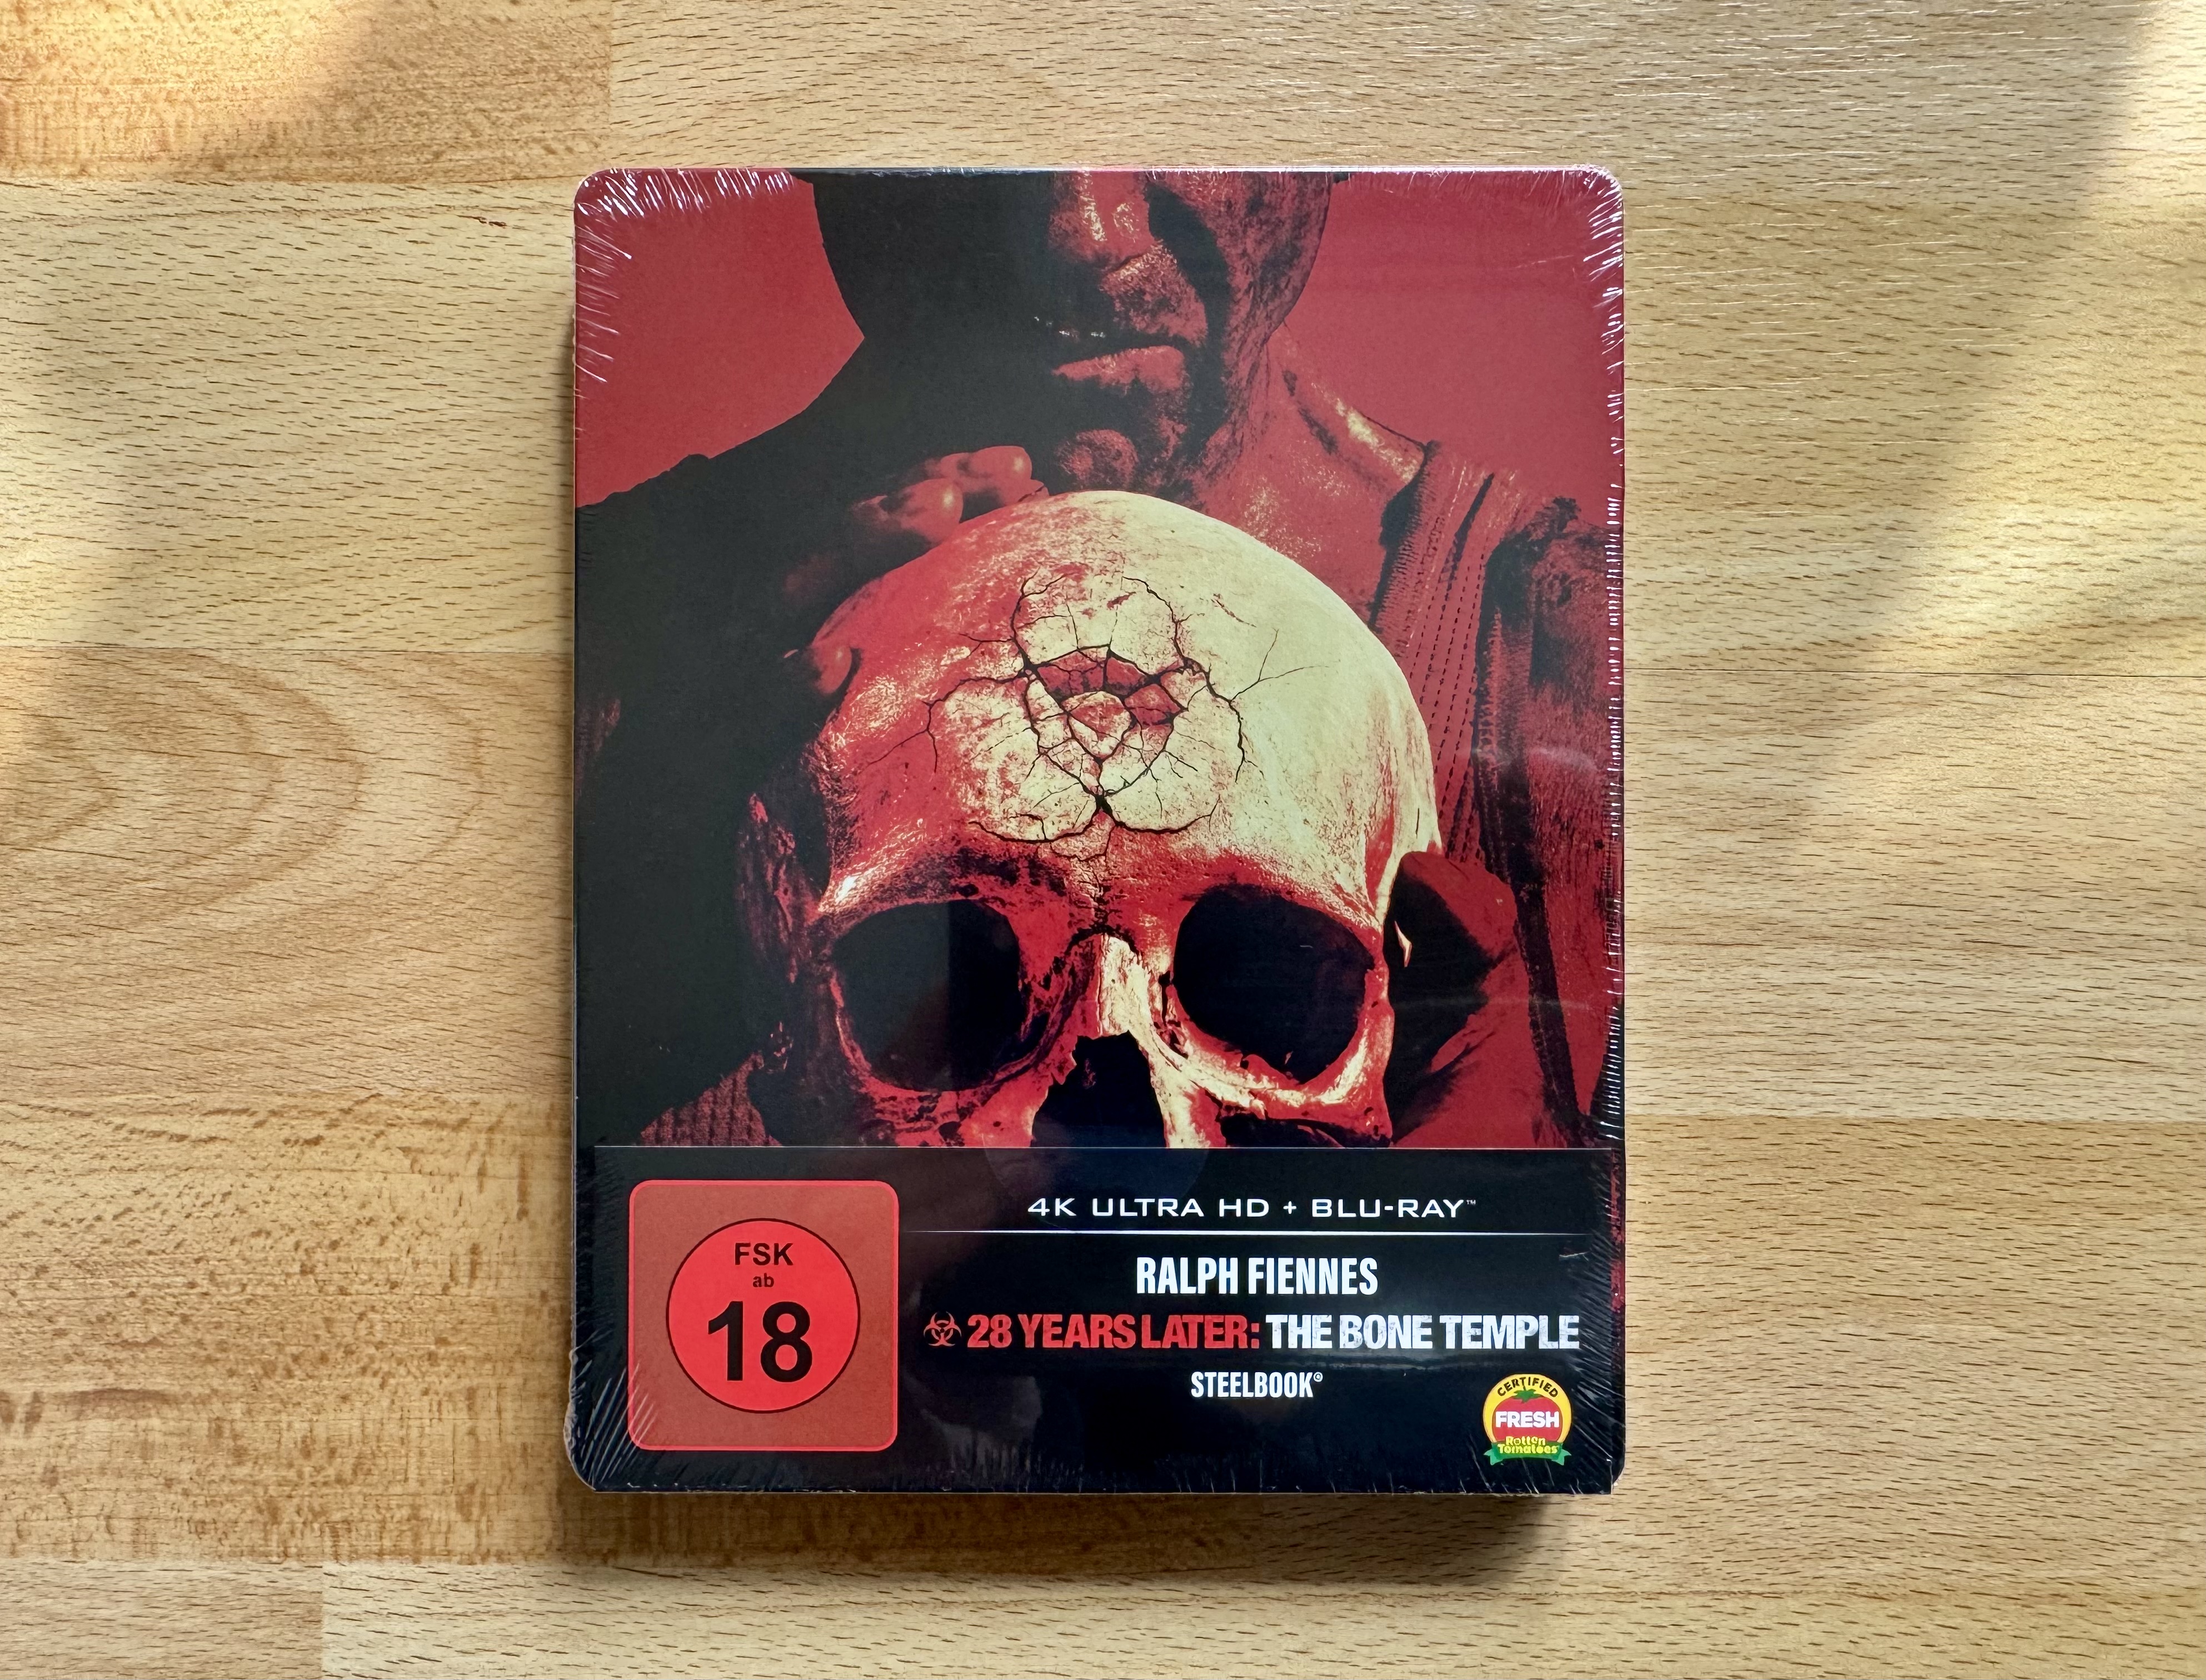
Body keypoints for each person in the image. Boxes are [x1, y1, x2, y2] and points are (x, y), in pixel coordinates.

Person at [576, 170, 1615, 1151]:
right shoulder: (554, 641)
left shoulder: (1595, 673)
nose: (1077, 235)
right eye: (958, 114)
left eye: (1172, 94)